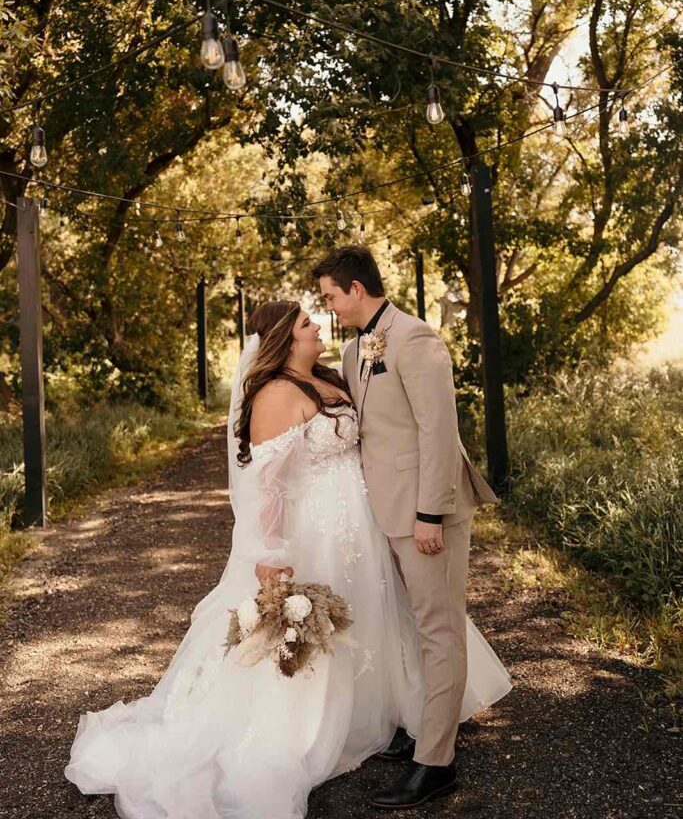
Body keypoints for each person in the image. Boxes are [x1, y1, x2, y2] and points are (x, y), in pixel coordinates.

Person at [64, 300, 511, 818]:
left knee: (382, 615)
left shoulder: (332, 374)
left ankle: (395, 717)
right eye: (305, 323)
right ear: (284, 338)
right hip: (319, 531)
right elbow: (267, 488)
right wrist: (271, 555)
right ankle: (324, 725)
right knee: (333, 624)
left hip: (365, 522)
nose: (317, 325)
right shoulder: (275, 395)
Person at [314, 245, 500, 810]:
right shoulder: (353, 350)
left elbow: (438, 433)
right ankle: (421, 722)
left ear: (356, 290)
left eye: (329, 296)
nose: (328, 307)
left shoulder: (417, 339)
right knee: (409, 626)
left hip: (425, 513)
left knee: (439, 630)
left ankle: (436, 763)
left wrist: (429, 514)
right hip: (384, 513)